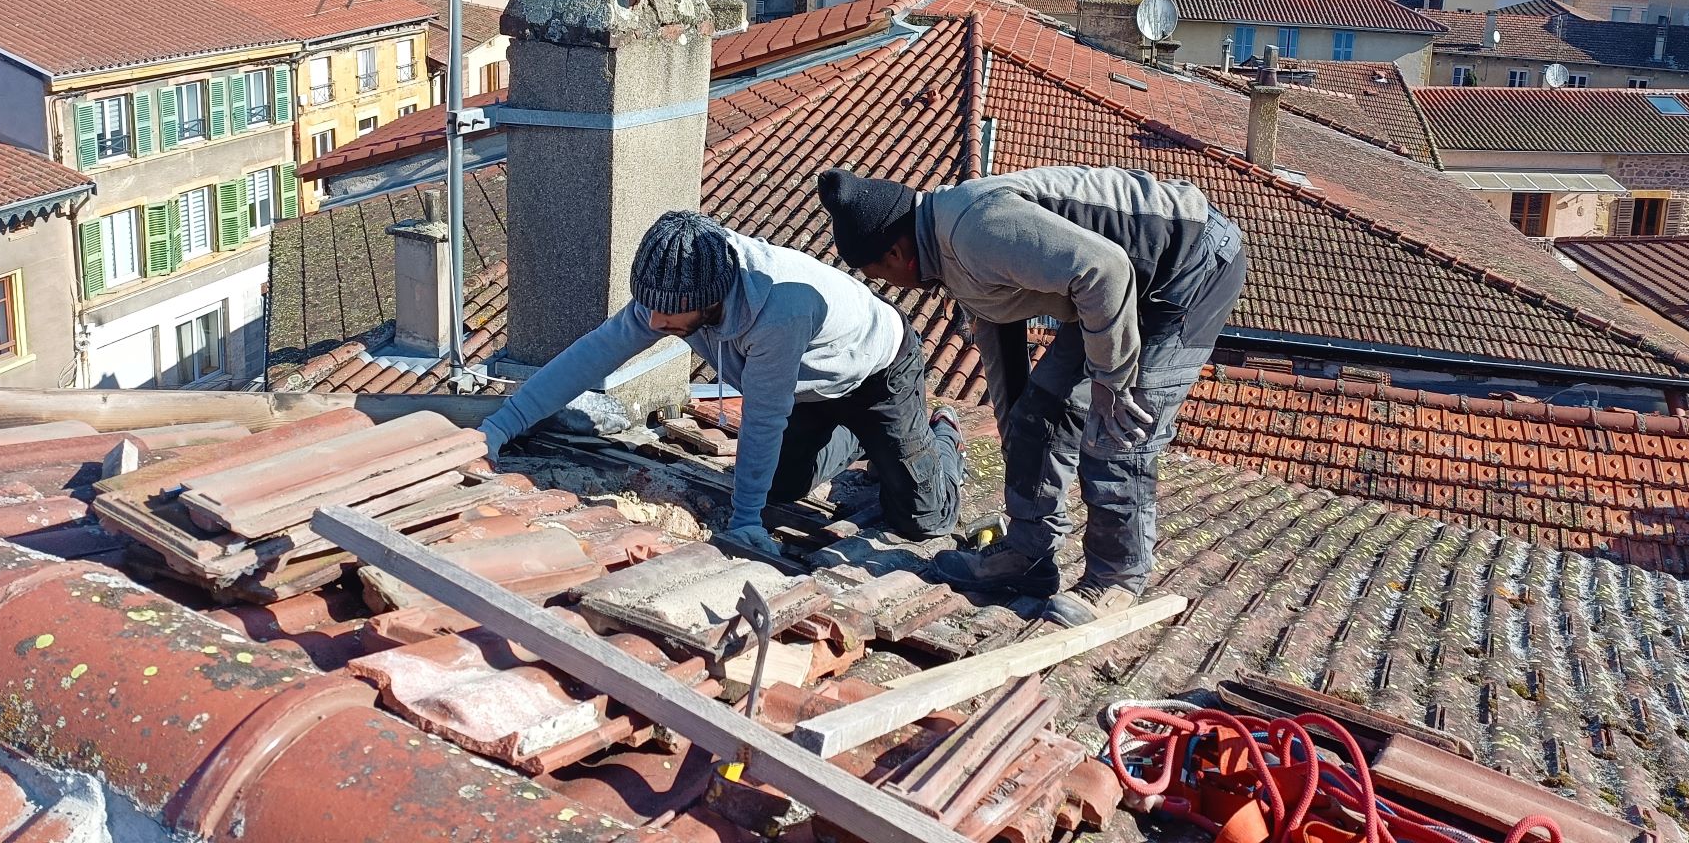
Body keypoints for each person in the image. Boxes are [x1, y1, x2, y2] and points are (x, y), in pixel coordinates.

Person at [817, 165, 1246, 624]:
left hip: (1188, 267)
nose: (889, 287)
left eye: (879, 275)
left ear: (898, 253)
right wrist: (1017, 432)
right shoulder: (947, 257)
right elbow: (1001, 348)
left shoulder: (974, 229)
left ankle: (1116, 580)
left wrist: (1112, 380)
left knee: (1118, 429)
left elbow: (1105, 270)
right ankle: (1028, 558)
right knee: (1037, 418)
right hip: (1112, 290)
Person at [480, 210, 963, 556]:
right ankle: (862, 442)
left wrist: (746, 523)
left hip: (877, 370)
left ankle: (942, 431)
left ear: (711, 300)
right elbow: (588, 357)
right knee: (777, 485)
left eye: (670, 313)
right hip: (806, 385)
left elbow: (763, 418)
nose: (657, 320)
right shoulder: (674, 288)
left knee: (923, 519)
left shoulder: (778, 310)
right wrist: (502, 427)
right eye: (651, 309)